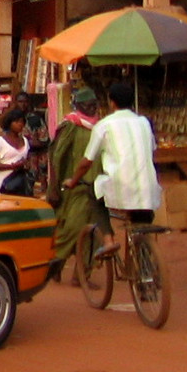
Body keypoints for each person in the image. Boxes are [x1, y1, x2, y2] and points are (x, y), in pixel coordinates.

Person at [61, 82, 162, 264]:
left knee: (94, 194)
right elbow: (152, 150)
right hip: (148, 187)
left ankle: (108, 239)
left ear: (112, 102)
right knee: (142, 221)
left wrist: (73, 180)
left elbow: (86, 162)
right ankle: (146, 262)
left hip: (119, 186)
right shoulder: (144, 123)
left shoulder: (104, 125)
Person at [45, 87, 104, 280]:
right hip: (72, 186)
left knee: (92, 231)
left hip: (94, 186)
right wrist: (54, 186)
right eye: (88, 105)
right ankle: (53, 265)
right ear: (78, 106)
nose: (92, 108)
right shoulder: (70, 125)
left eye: (94, 104)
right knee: (71, 228)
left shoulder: (99, 126)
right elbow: (56, 155)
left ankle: (81, 275)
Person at [0, 109, 31, 194]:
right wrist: (11, 166)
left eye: (22, 122)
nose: (20, 124)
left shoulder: (25, 141)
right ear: (9, 123)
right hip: (2, 185)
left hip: (20, 184)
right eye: (16, 122)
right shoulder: (0, 141)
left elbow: (27, 159)